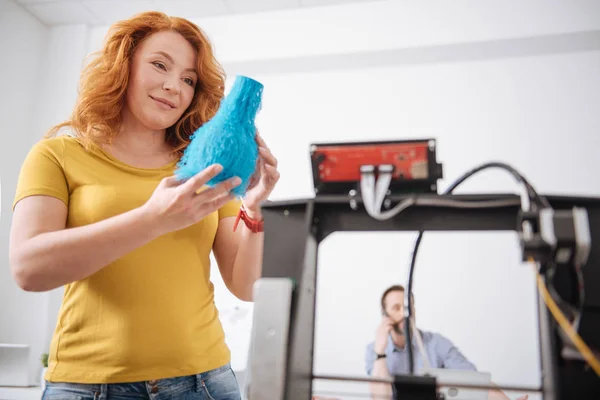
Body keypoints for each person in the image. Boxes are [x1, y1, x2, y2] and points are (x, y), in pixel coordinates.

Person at [9, 11, 279, 400]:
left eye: (188, 79)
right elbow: (28, 269)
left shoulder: (203, 167)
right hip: (87, 387)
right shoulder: (58, 155)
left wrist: (252, 210)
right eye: (159, 65)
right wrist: (152, 219)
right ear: (123, 68)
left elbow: (246, 286)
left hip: (203, 383)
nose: (174, 87)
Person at [366, 285, 528, 400]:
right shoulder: (373, 350)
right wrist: (380, 352)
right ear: (384, 314)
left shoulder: (436, 343)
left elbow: (475, 382)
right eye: (396, 308)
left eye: (408, 307)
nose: (404, 313)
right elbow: (380, 398)